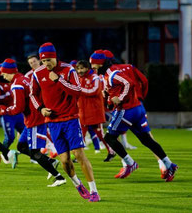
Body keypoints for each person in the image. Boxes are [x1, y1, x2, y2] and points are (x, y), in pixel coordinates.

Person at [90, 50, 178, 182]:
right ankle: (169, 164)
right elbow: (126, 85)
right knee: (146, 139)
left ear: (100, 64)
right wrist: (108, 96)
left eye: (93, 65)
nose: (92, 67)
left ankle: (129, 163)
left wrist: (119, 98)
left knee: (109, 137)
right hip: (137, 108)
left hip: (126, 110)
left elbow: (128, 83)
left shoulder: (112, 73)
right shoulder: (113, 72)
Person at [29, 42, 100, 202]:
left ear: (55, 57)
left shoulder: (68, 70)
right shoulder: (37, 74)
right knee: (65, 161)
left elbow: (77, 91)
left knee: (79, 154)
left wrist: (59, 80)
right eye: (44, 60)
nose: (47, 63)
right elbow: (32, 95)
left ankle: (94, 190)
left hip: (71, 119)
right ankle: (78, 184)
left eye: (49, 60)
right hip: (53, 122)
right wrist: (41, 109)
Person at [0, 58, 66, 187]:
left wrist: (6, 110)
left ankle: (59, 177)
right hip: (32, 118)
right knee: (21, 146)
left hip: (34, 119)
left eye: (3, 72)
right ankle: (50, 161)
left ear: (8, 71)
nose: (2, 75)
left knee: (35, 152)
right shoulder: (23, 78)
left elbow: (18, 107)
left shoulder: (17, 84)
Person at [75, 60, 116, 162]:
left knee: (100, 135)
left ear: (87, 68)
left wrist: (79, 89)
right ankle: (77, 156)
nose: (80, 71)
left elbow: (94, 91)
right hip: (82, 112)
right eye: (78, 68)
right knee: (81, 135)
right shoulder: (78, 79)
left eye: (82, 68)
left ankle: (111, 151)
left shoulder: (95, 78)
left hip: (94, 111)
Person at [0, 63, 25, 149]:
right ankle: (4, 153)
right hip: (6, 113)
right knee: (10, 137)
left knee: (26, 133)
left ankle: (30, 153)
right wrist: (8, 94)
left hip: (18, 111)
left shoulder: (14, 81)